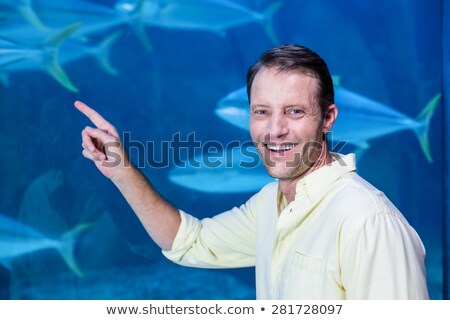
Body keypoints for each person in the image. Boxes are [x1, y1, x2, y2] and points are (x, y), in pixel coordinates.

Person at [75, 44, 429, 299]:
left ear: (328, 118)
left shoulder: (368, 221)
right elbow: (190, 243)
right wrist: (121, 170)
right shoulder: (270, 205)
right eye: (261, 112)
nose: (274, 130)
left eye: (294, 112)